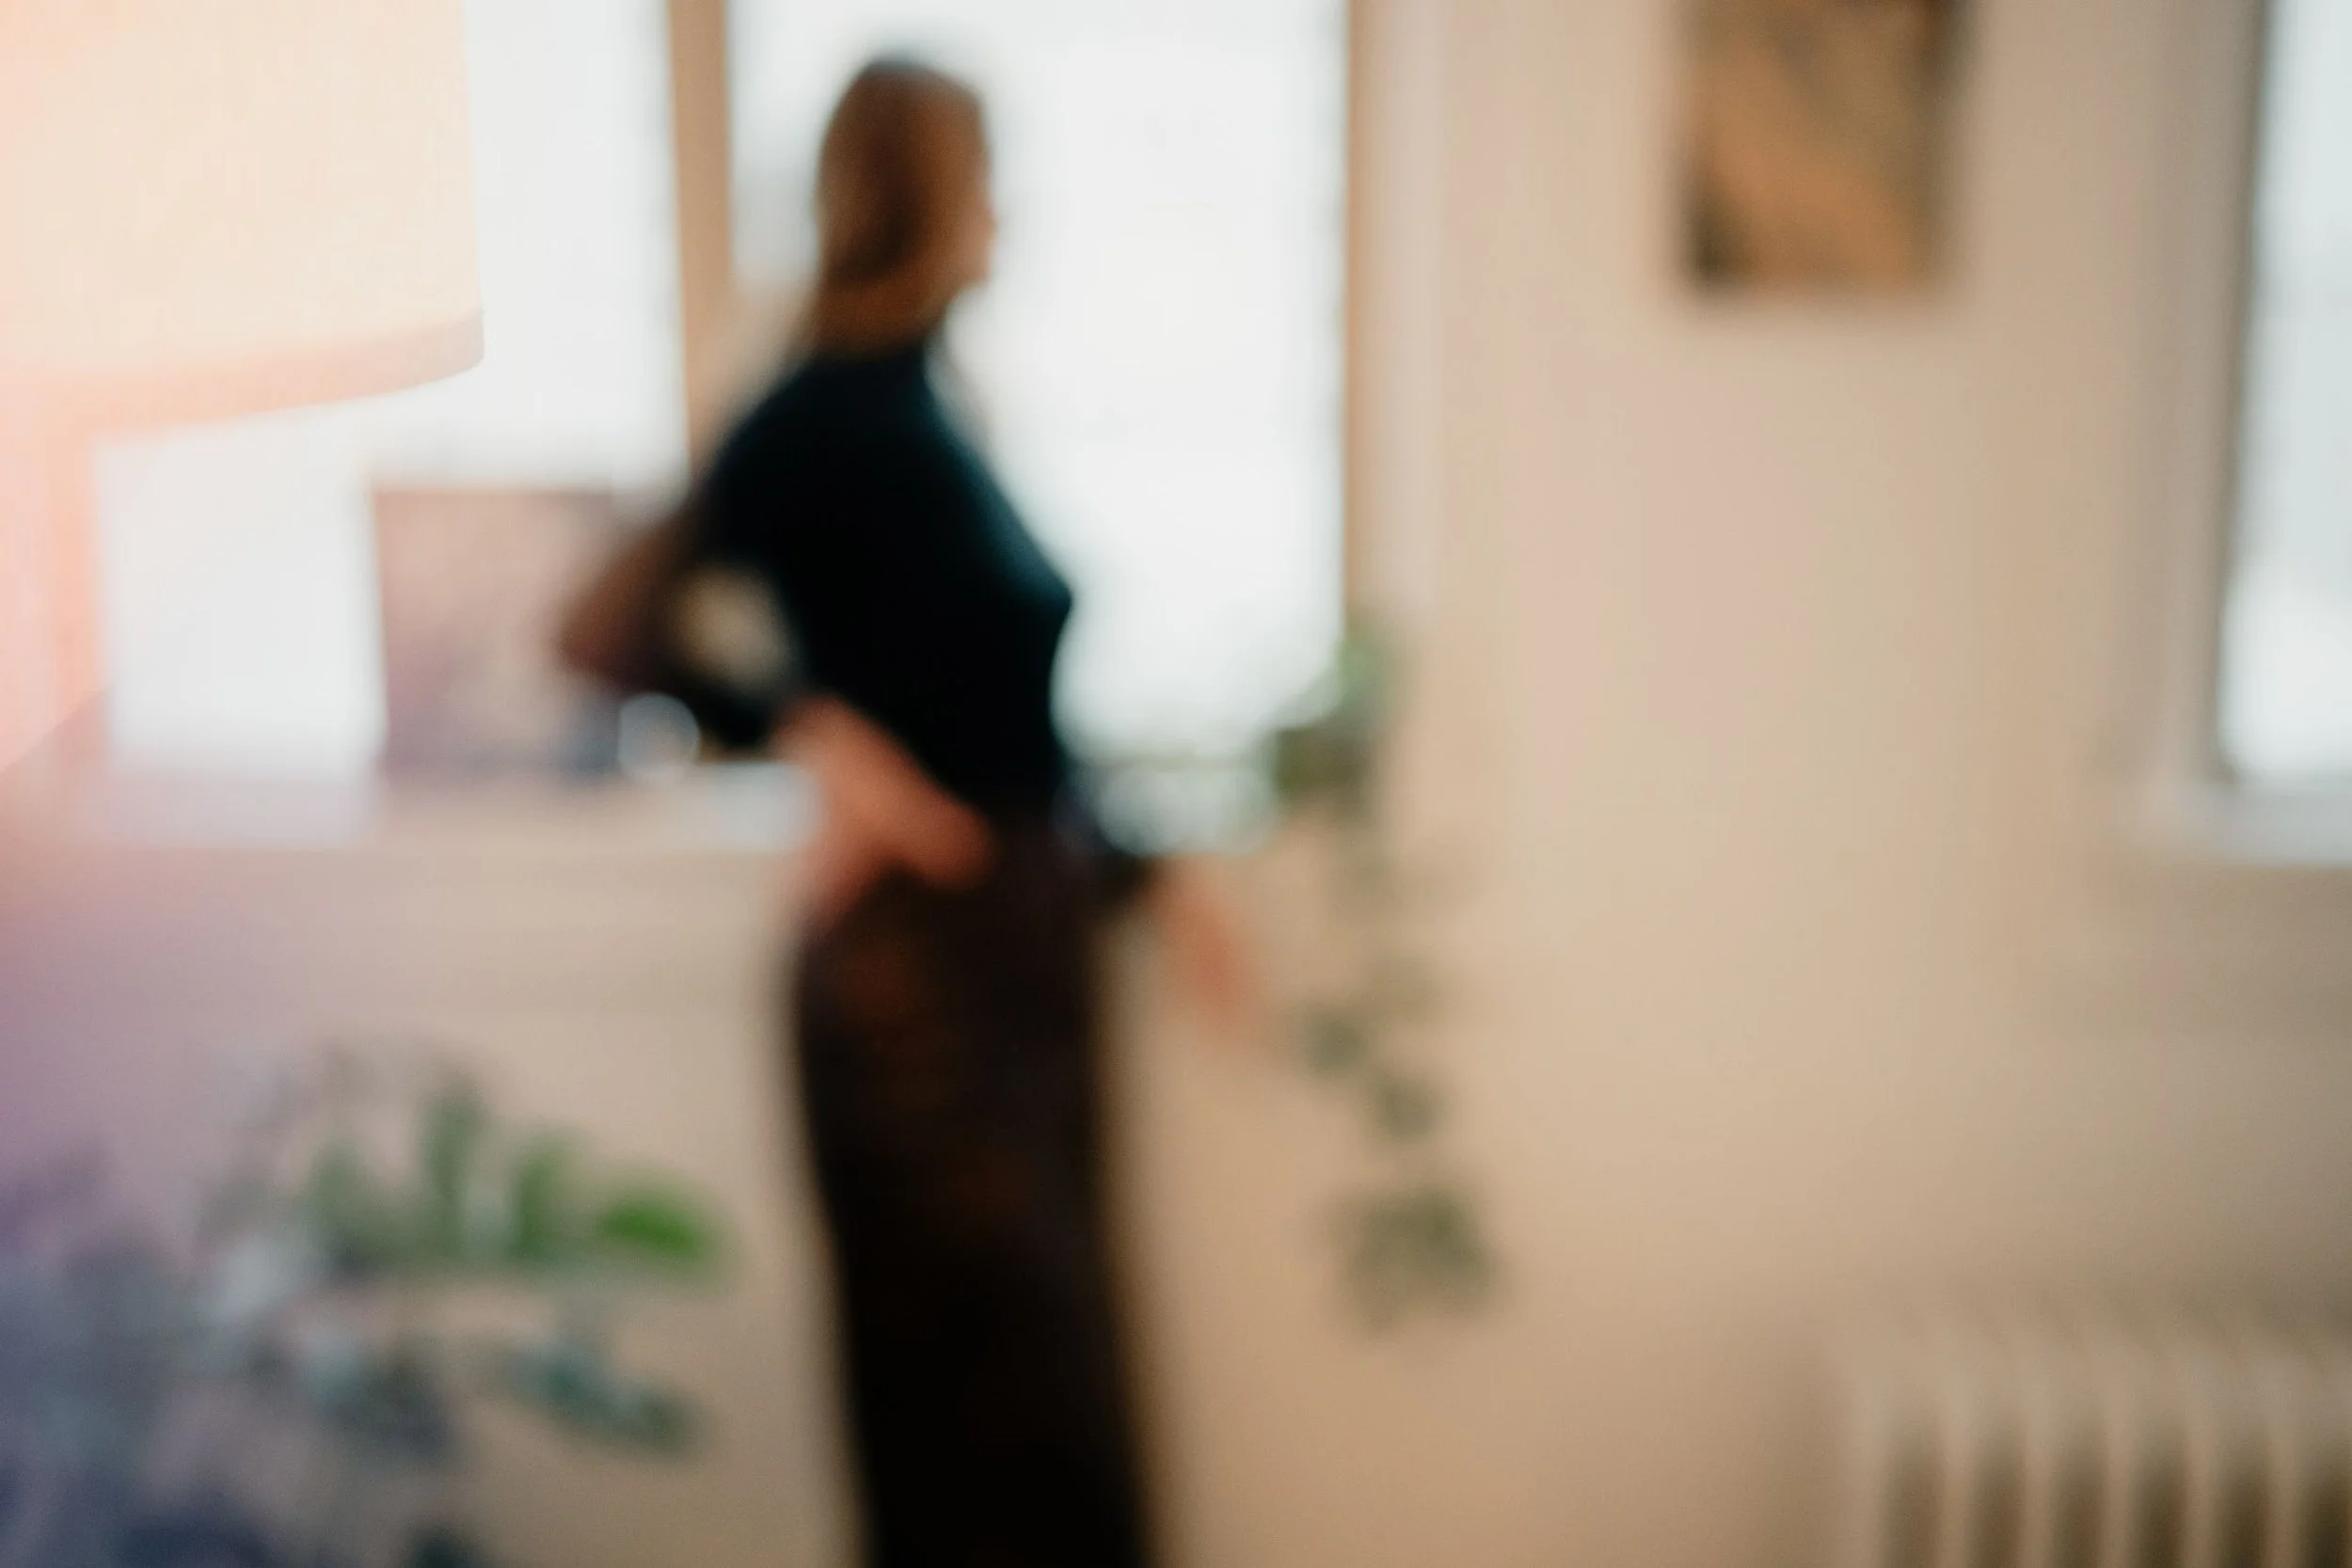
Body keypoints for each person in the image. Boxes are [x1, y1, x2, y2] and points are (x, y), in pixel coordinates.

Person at [690, 56, 1247, 1568]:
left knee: (1061, 1444)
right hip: (914, 1007)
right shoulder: (813, 415)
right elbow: (619, 629)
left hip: (1018, 968)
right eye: (985, 181)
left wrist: (1154, 869)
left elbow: (1005, 722)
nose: (1006, 215)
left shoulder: (935, 404)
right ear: (921, 197)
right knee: (984, 1446)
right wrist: (816, 737)